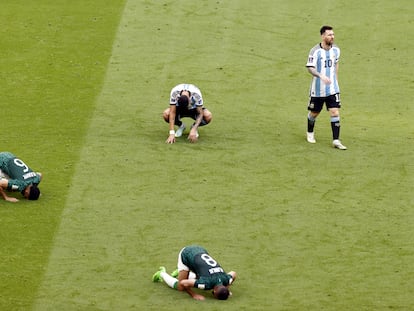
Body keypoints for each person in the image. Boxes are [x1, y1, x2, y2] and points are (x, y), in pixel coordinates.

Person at [306, 25, 347, 150]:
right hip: (318, 90)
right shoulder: (315, 51)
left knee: (335, 111)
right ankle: (310, 132)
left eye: (333, 34)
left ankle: (336, 140)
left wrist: (336, 80)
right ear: (323, 36)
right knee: (314, 113)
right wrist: (320, 76)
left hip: (332, 89)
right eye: (329, 35)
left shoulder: (336, 50)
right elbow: (310, 67)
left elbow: (336, 64)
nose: (332, 37)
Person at [152, 245, 237, 300]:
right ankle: (162, 273)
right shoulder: (206, 284)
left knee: (198, 277)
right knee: (180, 287)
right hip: (186, 254)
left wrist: (226, 289)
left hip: (200, 250)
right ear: (214, 292)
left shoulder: (226, 279)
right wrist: (193, 295)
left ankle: (181, 272)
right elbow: (183, 283)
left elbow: (233, 273)